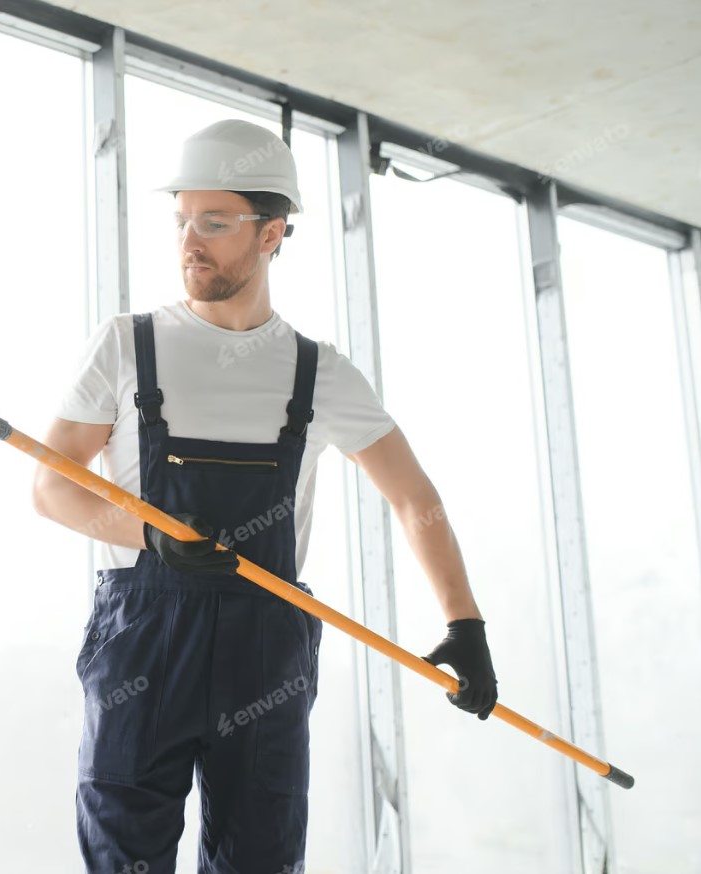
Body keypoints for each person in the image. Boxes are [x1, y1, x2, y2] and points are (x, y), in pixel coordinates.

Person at [31, 119, 498, 874]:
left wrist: (464, 621)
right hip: (144, 640)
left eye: (214, 223)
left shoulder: (319, 373)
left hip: (264, 651)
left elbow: (415, 496)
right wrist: (150, 535)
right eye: (182, 220)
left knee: (261, 860)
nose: (190, 241)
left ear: (273, 232)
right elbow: (50, 486)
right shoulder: (127, 344)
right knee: (123, 858)